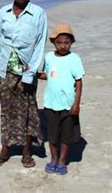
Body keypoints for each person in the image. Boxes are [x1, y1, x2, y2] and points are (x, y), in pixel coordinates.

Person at [0, 0, 47, 168]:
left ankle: (26, 152)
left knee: (29, 110)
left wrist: (30, 74)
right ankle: (5, 150)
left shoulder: (38, 13)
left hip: (26, 70)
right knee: (7, 110)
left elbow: (39, 46)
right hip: (5, 69)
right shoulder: (3, 12)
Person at [38, 23, 84, 175]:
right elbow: (48, 74)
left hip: (67, 105)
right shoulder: (49, 57)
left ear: (71, 43)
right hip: (51, 104)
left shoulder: (75, 59)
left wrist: (76, 104)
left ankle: (62, 161)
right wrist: (35, 74)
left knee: (65, 136)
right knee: (52, 135)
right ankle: (53, 159)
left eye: (66, 42)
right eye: (59, 42)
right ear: (53, 43)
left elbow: (78, 82)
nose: (63, 46)